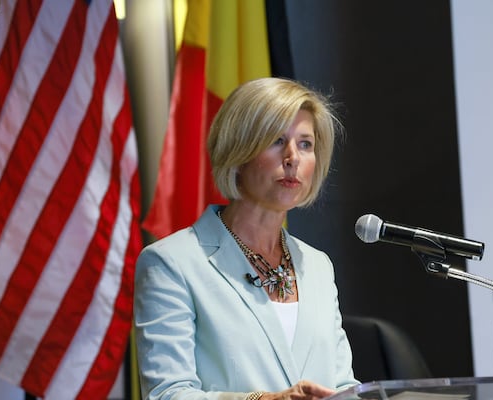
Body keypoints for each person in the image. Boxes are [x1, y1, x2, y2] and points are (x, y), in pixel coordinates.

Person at [134, 77, 359, 400]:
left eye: (305, 144)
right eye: (277, 140)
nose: (293, 157)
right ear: (238, 153)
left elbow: (341, 386)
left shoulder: (318, 266)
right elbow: (168, 394)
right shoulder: (171, 263)